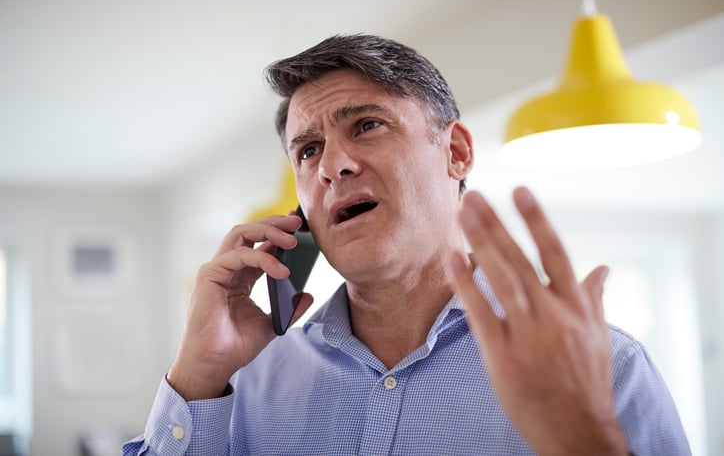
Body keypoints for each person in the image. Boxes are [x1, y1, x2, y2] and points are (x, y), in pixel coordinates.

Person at [123, 34, 689, 455]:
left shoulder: (604, 365)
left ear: (457, 153)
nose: (333, 166)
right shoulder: (241, 382)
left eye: (367, 125)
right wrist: (195, 378)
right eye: (308, 150)